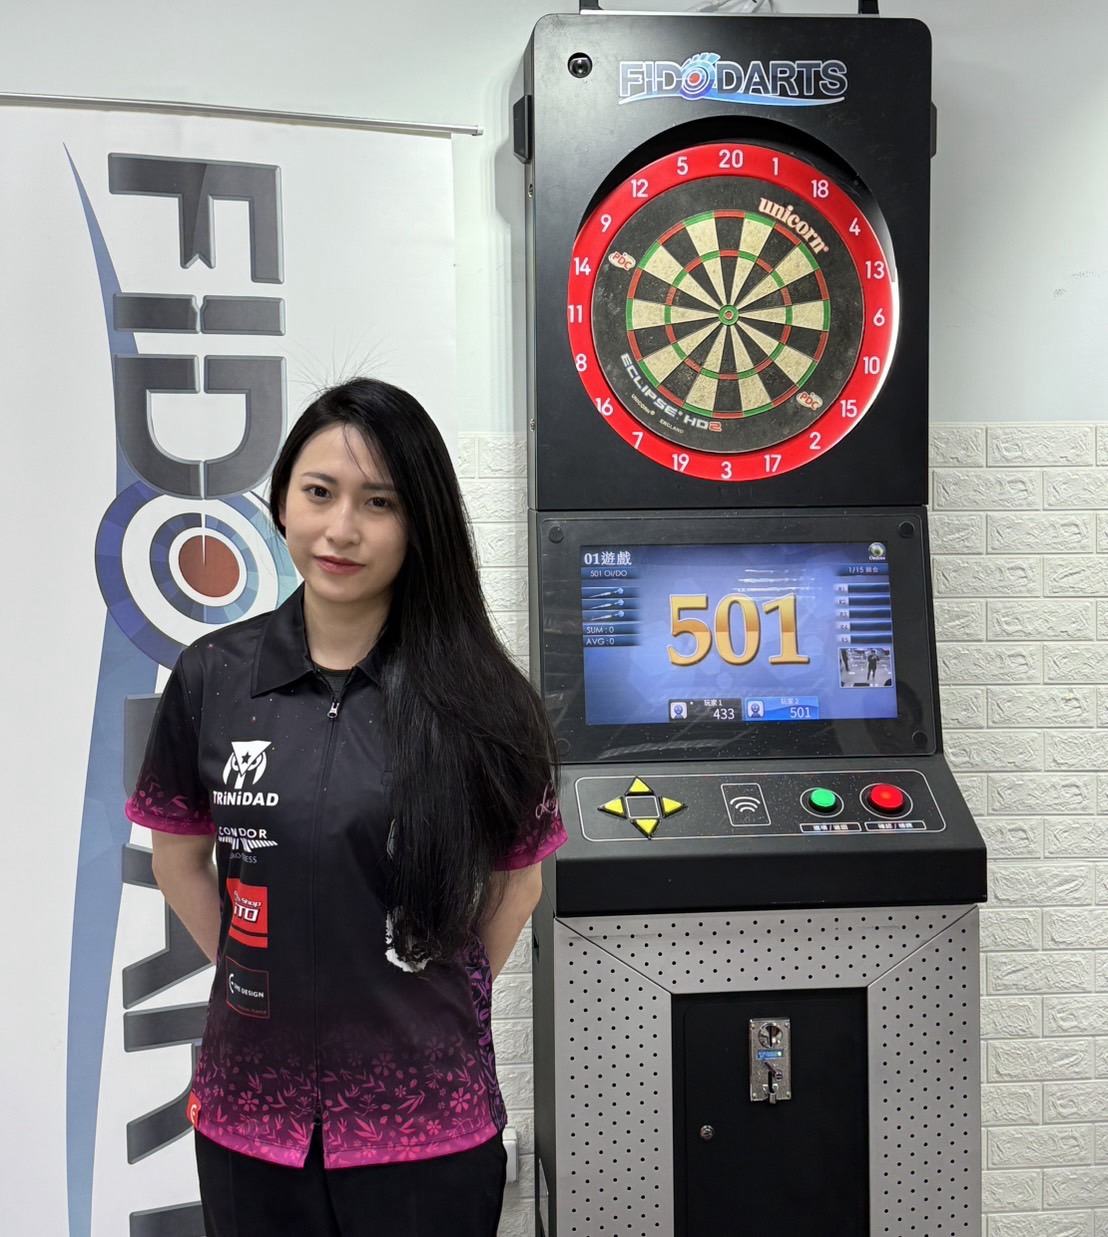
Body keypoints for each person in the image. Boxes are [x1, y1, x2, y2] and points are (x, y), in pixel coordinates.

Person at [125, 378, 566, 1237]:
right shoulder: (214, 677)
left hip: (426, 1126)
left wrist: (427, 991)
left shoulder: (484, 699)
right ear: (282, 501)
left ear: (420, 522)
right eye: (320, 492)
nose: (341, 529)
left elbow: (517, 885)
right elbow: (178, 858)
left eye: (379, 502)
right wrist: (265, 973)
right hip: (252, 1122)